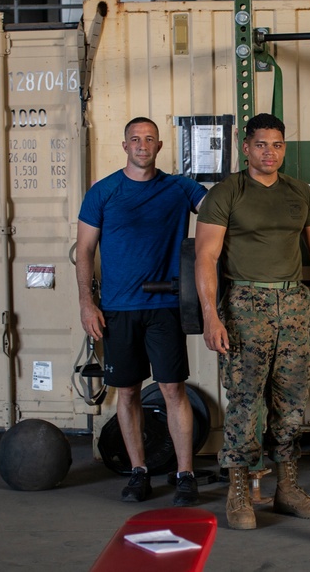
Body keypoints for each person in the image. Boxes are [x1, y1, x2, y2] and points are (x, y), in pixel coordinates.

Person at [195, 112, 310, 530]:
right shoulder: (226, 193)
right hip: (244, 302)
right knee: (245, 401)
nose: (270, 152)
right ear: (246, 148)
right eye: (262, 144)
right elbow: (206, 256)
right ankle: (239, 492)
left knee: (291, 403)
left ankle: (287, 489)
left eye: (278, 145)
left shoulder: (299, 193)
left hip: (294, 303)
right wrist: (211, 315)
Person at [76, 116, 208, 507]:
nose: (142, 145)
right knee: (128, 393)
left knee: (172, 389)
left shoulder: (180, 188)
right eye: (135, 139)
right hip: (117, 309)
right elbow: (83, 251)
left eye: (149, 139)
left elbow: (218, 211)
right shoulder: (104, 192)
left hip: (165, 307)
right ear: (124, 146)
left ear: (159, 147)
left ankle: (184, 474)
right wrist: (87, 302)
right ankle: (139, 471)